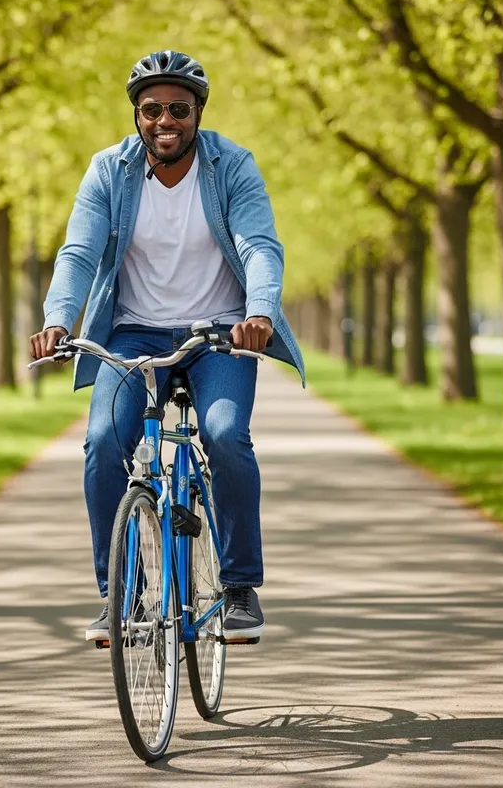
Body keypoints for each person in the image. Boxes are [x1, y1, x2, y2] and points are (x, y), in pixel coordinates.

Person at [30, 50, 304, 643]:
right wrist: (57, 319)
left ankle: (239, 586)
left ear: (198, 112)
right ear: (136, 115)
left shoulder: (231, 165)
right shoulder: (109, 171)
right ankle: (121, 595)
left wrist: (259, 312)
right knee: (103, 442)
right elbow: (78, 252)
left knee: (225, 435)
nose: (164, 121)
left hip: (220, 332)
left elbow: (259, 245)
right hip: (133, 332)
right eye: (151, 109)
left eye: (178, 109)